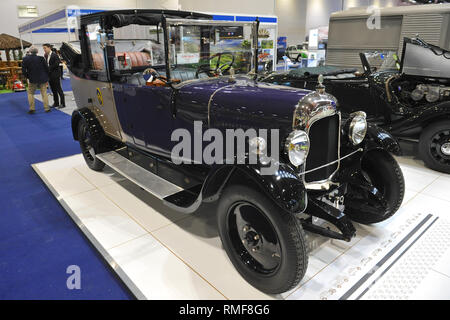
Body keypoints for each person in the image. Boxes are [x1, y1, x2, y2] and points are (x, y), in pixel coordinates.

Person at [22, 46, 50, 114]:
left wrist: (28, 76)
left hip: (32, 78)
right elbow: (46, 68)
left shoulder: (25, 59)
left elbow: (23, 70)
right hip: (42, 78)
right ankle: (47, 108)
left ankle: (32, 109)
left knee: (30, 93)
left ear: (30, 51)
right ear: (37, 52)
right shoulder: (41, 58)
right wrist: (47, 76)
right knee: (44, 93)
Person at [43, 44, 65, 109]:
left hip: (55, 75)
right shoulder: (46, 56)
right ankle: (56, 102)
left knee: (59, 89)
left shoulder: (54, 55)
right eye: (43, 48)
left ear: (49, 48)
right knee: (53, 90)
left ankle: (63, 103)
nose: (44, 49)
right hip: (50, 75)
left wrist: (48, 68)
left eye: (45, 48)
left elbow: (57, 64)